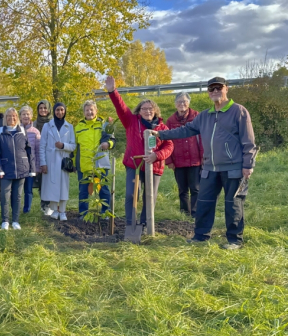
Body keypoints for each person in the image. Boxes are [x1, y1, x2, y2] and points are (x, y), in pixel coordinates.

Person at [152, 77, 256, 249]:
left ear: (226, 89)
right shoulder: (205, 116)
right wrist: (162, 135)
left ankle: (234, 240)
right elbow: (186, 130)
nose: (215, 91)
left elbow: (248, 141)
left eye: (218, 87)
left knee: (233, 204)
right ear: (208, 92)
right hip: (209, 168)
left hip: (233, 168)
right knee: (204, 202)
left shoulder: (239, 111)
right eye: (211, 89)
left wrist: (248, 165)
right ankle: (201, 236)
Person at [104, 75, 174, 229]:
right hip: (134, 164)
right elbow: (121, 107)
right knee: (131, 194)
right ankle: (130, 223)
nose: (148, 111)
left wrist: (157, 155)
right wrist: (112, 91)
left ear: (155, 111)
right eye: (144, 109)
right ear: (139, 111)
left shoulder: (162, 128)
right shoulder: (131, 121)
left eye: (150, 109)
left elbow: (169, 146)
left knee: (150, 197)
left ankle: (145, 223)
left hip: (154, 166)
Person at [0, 108, 36, 230]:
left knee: (17, 196)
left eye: (14, 116)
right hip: (6, 169)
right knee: (5, 196)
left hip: (21, 169)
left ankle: (15, 221)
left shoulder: (22, 131)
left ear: (17, 118)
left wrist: (31, 168)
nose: (11, 118)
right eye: (9, 116)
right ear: (5, 118)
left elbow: (29, 150)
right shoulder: (0, 132)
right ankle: (5, 221)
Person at [75, 100, 115, 218]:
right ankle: (83, 214)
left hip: (100, 164)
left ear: (96, 111)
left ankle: (105, 212)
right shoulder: (78, 127)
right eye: (87, 110)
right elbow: (75, 148)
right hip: (84, 165)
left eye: (91, 109)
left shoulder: (104, 125)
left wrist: (108, 144)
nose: (89, 112)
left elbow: (112, 140)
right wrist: (73, 163)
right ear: (84, 112)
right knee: (83, 191)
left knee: (103, 189)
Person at [165, 92, 203, 218]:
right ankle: (184, 214)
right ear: (175, 104)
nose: (182, 104)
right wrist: (169, 160)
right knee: (182, 189)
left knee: (195, 188)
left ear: (189, 103)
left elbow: (203, 138)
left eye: (184, 101)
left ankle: (195, 213)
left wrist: (203, 157)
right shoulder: (170, 121)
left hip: (195, 159)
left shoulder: (197, 116)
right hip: (178, 160)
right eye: (179, 101)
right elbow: (166, 140)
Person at [40, 103, 76, 221]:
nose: (59, 112)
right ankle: (54, 210)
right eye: (57, 110)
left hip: (63, 161)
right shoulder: (47, 126)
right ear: (54, 111)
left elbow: (73, 146)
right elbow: (42, 146)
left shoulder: (69, 127)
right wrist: (43, 163)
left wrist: (63, 146)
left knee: (63, 186)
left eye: (62, 110)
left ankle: (63, 211)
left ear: (65, 111)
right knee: (52, 185)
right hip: (51, 160)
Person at [19, 105, 41, 213]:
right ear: (20, 116)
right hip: (19, 166)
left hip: (30, 166)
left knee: (28, 190)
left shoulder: (35, 132)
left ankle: (26, 210)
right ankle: (16, 209)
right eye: (23, 114)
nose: (26, 116)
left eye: (28, 114)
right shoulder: (16, 130)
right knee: (17, 190)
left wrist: (37, 167)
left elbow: (37, 151)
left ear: (31, 116)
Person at [34, 99, 52, 212]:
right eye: (40, 108)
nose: (43, 110)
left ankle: (51, 204)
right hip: (38, 155)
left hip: (51, 155)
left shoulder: (53, 123)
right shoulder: (34, 124)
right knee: (41, 181)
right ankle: (44, 204)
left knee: (50, 180)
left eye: (45, 108)